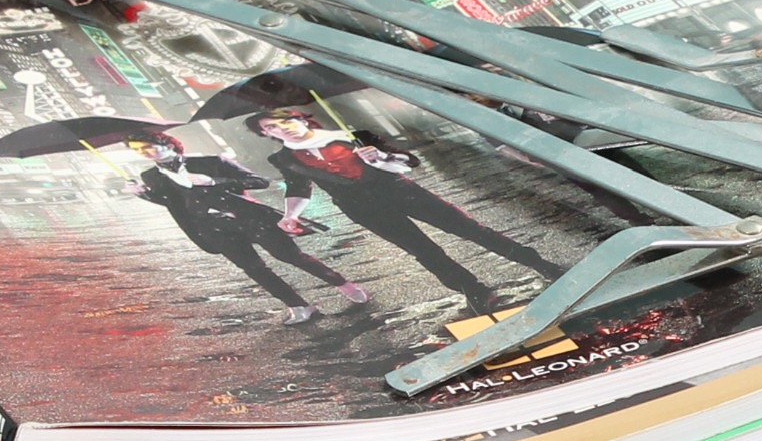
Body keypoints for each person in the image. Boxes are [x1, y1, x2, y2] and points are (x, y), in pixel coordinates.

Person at [249, 110, 564, 313]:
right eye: (270, 129)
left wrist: (379, 158)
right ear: (268, 136)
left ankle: (539, 263)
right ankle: (476, 291)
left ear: (300, 118)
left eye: (283, 121)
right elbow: (298, 187)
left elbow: (409, 162)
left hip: (403, 192)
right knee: (422, 250)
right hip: (362, 209)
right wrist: (290, 215)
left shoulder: (351, 134)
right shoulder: (284, 160)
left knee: (471, 230)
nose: (280, 129)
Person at [122, 135, 366, 324]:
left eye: (149, 146)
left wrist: (215, 181)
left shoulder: (210, 162)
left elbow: (259, 181)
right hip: (212, 228)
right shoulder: (150, 175)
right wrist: (144, 194)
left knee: (289, 256)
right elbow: (171, 201)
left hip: (249, 218)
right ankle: (299, 306)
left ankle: (345, 286)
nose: (145, 152)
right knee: (253, 268)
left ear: (169, 144)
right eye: (138, 150)